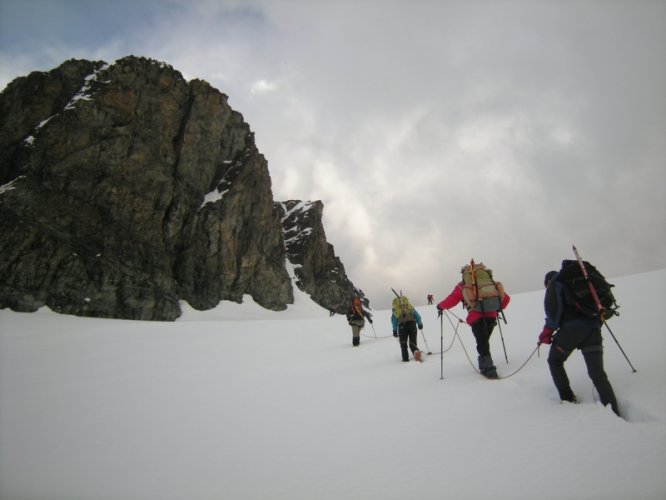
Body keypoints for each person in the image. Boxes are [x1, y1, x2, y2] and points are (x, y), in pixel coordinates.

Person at [538, 270, 619, 415]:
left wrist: (546, 333)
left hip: (571, 331)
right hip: (593, 330)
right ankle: (613, 408)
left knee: (555, 360)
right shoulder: (582, 282)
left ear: (547, 282)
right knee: (597, 372)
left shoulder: (555, 284)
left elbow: (554, 312)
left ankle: (568, 399)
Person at [436, 266, 510, 378]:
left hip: (476, 318)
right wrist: (497, 308)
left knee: (482, 342)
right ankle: (484, 363)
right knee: (484, 341)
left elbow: (452, 299)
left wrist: (440, 306)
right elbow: (506, 298)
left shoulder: (462, 285)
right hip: (491, 316)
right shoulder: (490, 283)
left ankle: (489, 369)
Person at [391, 295, 424, 362]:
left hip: (402, 327)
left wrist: (394, 331)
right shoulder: (410, 307)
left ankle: (405, 359)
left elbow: (394, 322)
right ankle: (415, 351)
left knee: (403, 344)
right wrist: (420, 324)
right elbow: (418, 316)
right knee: (413, 342)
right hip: (412, 325)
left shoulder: (396, 310)